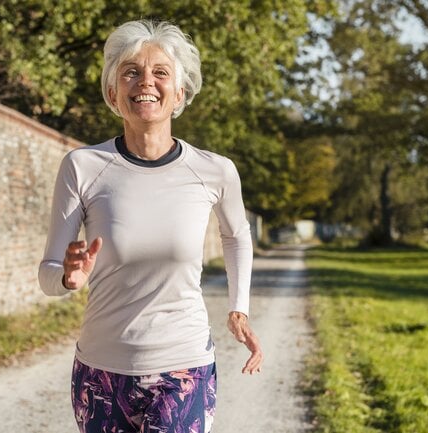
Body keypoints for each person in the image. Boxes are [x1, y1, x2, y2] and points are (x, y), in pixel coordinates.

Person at [38, 19, 262, 433]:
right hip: (101, 373)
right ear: (112, 93)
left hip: (185, 368)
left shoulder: (214, 171)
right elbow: (48, 275)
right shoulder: (82, 166)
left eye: (160, 72)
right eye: (131, 72)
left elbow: (237, 236)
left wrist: (239, 307)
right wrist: (69, 278)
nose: (145, 81)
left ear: (179, 94)